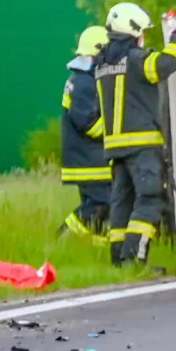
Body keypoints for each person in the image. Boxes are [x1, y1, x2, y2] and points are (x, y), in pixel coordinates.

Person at [93, 2, 176, 266]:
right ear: (134, 31)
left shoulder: (102, 63)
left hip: (115, 148)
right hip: (142, 145)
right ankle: (134, 258)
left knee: (122, 203)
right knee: (149, 198)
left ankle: (118, 260)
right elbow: (165, 64)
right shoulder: (135, 59)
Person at [58, 25, 111, 240]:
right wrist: (113, 135)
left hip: (89, 160)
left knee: (103, 207)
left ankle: (99, 247)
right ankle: (63, 237)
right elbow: (87, 123)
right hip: (89, 162)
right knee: (100, 204)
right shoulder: (83, 82)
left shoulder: (82, 78)